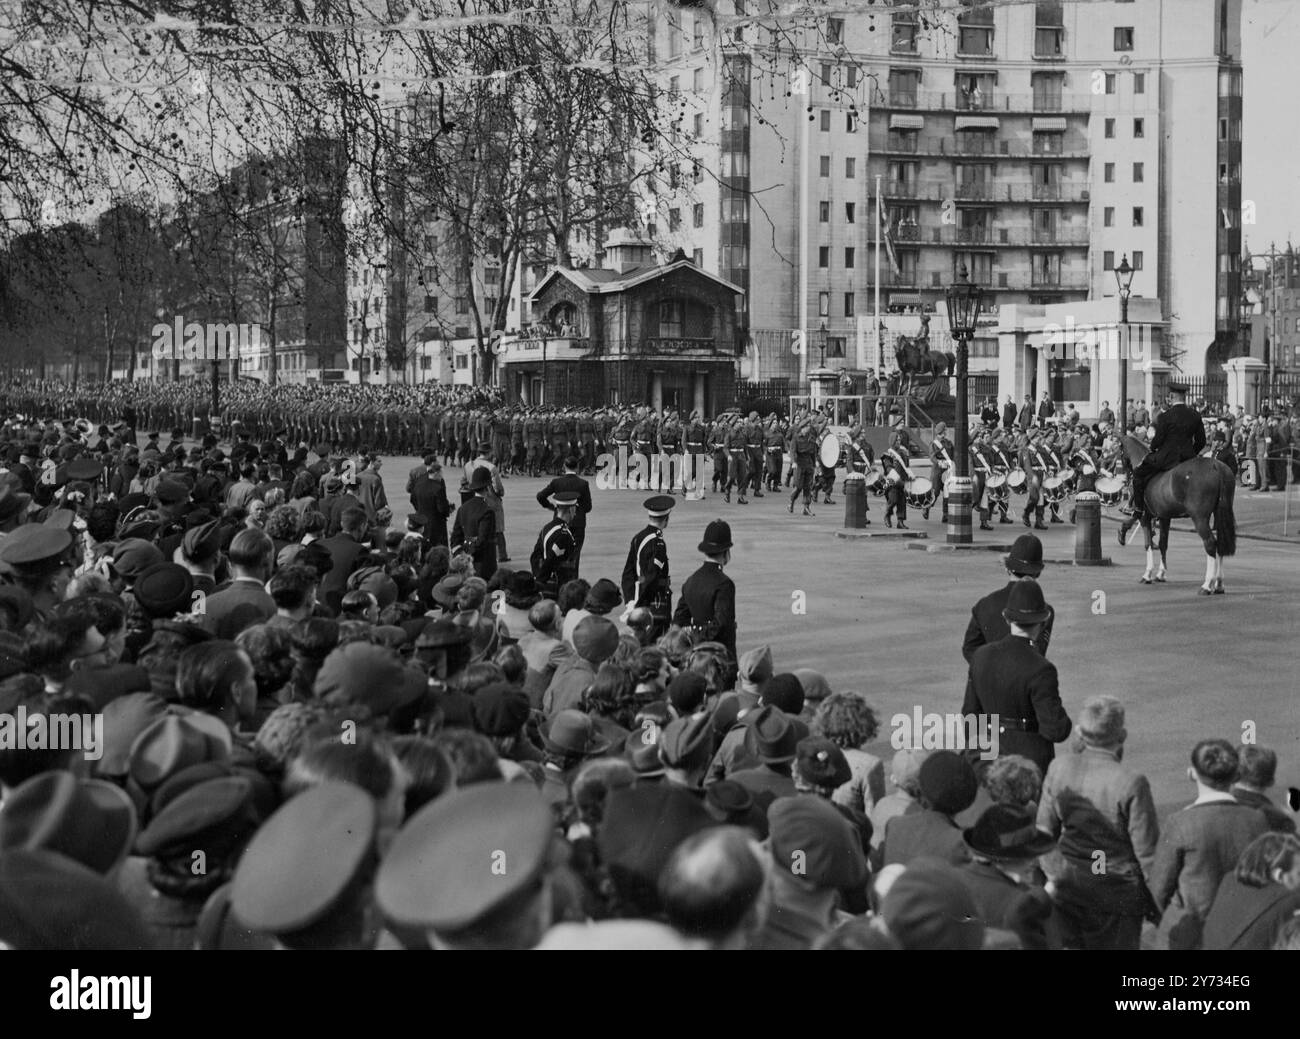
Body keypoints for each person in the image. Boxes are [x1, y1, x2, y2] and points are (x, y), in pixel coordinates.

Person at [1035, 695, 1159, 950]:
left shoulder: (1059, 767)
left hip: (1069, 887)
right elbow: (1146, 852)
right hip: (1116, 892)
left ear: (1081, 732)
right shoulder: (1131, 781)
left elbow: (1043, 832)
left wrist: (1055, 875)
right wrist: (1158, 902)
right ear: (1121, 735)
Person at [1148, 739, 1271, 950]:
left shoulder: (1179, 822)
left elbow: (1159, 889)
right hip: (1240, 930)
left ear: (1192, 773)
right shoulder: (1258, 820)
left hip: (1191, 934)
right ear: (1236, 776)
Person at [961, 579, 1071, 777]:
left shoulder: (981, 656)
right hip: (1028, 760)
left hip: (989, 751)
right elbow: (1056, 730)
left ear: (1007, 619)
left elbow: (970, 712)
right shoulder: (1041, 669)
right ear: (1041, 623)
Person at [1120, 384, 1207, 543]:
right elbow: (1202, 441)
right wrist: (1190, 453)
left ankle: (1138, 509)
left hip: (1167, 458)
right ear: (1184, 397)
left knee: (1138, 474)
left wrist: (1153, 447)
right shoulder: (1195, 415)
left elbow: (1157, 442)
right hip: (1188, 457)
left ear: (1172, 397)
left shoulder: (1165, 416)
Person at [962, 534, 1054, 663]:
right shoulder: (1044, 611)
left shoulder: (984, 605)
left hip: (989, 677)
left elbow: (969, 647)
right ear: (1038, 572)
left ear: (1007, 569)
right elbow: (1037, 654)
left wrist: (986, 669)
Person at [672, 519, 738, 663]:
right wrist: (700, 635)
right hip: (719, 656)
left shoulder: (691, 580)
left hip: (695, 656)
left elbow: (679, 619)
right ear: (726, 552)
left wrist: (693, 636)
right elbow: (722, 624)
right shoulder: (724, 584)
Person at [621, 495, 674, 639]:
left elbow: (628, 573)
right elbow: (652, 577)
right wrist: (639, 605)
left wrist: (630, 601)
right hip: (653, 602)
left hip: (639, 597)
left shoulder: (639, 537)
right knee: (653, 643)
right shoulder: (658, 543)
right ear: (666, 518)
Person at [534, 456, 591, 574]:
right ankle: (573, 580)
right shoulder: (583, 484)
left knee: (557, 552)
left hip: (560, 520)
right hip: (578, 523)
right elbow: (588, 507)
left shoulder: (557, 482)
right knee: (575, 556)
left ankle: (558, 577)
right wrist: (578, 511)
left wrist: (550, 506)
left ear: (564, 467)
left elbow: (540, 496)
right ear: (577, 467)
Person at [529, 491, 579, 598]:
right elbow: (552, 560)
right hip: (556, 587)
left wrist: (537, 576)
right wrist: (540, 583)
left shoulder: (547, 527)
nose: (575, 513)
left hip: (545, 580)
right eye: (575, 509)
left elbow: (534, 556)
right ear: (571, 510)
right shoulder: (563, 534)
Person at [451, 467, 498, 581]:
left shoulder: (463, 508)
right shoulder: (487, 511)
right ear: (488, 487)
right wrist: (469, 555)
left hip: (466, 563)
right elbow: (482, 540)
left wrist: (462, 555)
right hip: (483, 563)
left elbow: (455, 537)